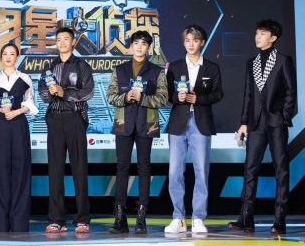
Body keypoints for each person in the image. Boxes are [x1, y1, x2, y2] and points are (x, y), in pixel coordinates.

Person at [228, 19, 297, 235]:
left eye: (263, 33)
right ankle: (246, 218)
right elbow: (248, 95)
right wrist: (243, 122)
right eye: (257, 33)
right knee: (250, 169)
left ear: (273, 38)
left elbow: (291, 92)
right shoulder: (252, 63)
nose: (257, 37)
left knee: (281, 171)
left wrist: (283, 117)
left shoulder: (283, 60)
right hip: (255, 124)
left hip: (276, 123)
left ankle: (280, 220)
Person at [106, 30, 168, 235]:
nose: (139, 47)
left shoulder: (157, 71)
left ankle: (141, 218)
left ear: (148, 47)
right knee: (122, 168)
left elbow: (163, 98)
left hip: (146, 123)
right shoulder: (120, 69)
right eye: (136, 43)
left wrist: (142, 98)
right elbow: (110, 96)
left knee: (144, 168)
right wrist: (126, 97)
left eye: (143, 44)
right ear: (131, 46)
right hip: (123, 123)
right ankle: (120, 217)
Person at [164, 25, 223, 234]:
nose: (191, 44)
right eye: (188, 40)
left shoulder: (212, 67)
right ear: (184, 42)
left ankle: (198, 217)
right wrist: (176, 97)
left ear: (202, 42)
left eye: (195, 40)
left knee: (201, 171)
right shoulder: (174, 66)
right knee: (174, 172)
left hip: (201, 122)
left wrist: (199, 98)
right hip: (178, 122)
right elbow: (166, 94)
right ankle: (178, 217)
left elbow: (218, 94)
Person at [38, 27, 94, 234]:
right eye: (59, 39)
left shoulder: (82, 65)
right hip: (54, 119)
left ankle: (82, 219)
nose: (62, 43)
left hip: (75, 118)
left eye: (66, 39)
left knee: (79, 169)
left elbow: (88, 91)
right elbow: (42, 92)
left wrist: (65, 93)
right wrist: (50, 93)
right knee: (55, 171)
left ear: (73, 42)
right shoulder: (49, 67)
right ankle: (56, 219)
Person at [0, 43, 38, 232]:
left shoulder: (25, 78)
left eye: (12, 54)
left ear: (17, 56)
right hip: (1, 125)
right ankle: (0, 222)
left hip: (19, 125)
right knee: (0, 171)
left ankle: (19, 222)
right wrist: (1, 110)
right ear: (1, 57)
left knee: (21, 170)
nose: (8, 57)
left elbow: (30, 101)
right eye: (5, 54)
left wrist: (16, 112)